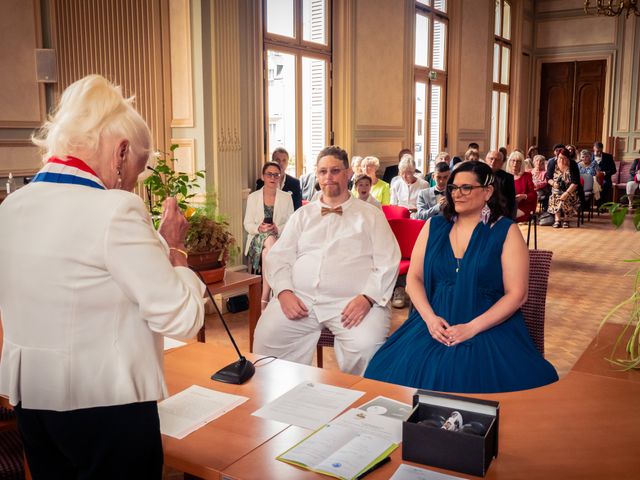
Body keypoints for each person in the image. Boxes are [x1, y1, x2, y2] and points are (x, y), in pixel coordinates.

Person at [0, 75, 206, 478]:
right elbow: (182, 319)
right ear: (120, 151)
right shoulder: (114, 209)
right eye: (137, 169)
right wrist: (176, 251)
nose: (133, 183)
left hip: (35, 403)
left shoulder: (11, 207)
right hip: (106, 409)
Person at [364, 161, 558, 393]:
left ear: (487, 192)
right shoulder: (433, 226)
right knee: (383, 372)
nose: (457, 194)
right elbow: (413, 280)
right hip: (434, 320)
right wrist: (430, 319)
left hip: (487, 324)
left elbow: (517, 294)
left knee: (458, 377)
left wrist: (472, 328)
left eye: (466, 188)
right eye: (454, 188)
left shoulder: (506, 231)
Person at [254, 146, 400, 375]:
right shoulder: (302, 215)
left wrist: (367, 298)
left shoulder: (371, 215)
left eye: (334, 170)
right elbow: (279, 257)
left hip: (353, 303)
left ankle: (359, 403)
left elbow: (388, 261)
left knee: (367, 347)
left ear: (348, 173)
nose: (328, 177)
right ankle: (281, 397)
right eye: (323, 172)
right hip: (301, 299)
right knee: (266, 337)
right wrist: (284, 292)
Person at [244, 162, 295, 309]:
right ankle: (274, 293)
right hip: (257, 238)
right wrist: (259, 228)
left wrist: (277, 228)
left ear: (280, 177)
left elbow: (291, 223)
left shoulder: (286, 197)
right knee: (269, 242)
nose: (273, 178)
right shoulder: (253, 197)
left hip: (279, 239)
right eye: (269, 174)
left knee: (268, 252)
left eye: (276, 175)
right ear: (263, 176)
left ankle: (264, 296)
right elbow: (247, 224)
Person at [548, 147, 580, 228]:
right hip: (556, 188)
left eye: (564, 158)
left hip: (571, 189)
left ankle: (566, 219)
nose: (561, 160)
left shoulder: (573, 164)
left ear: (568, 158)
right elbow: (548, 178)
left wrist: (566, 193)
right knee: (556, 194)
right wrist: (553, 183)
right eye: (560, 158)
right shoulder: (552, 163)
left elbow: (575, 182)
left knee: (566, 197)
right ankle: (557, 219)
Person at [484, 150, 517, 219]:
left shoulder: (508, 178)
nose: (493, 162)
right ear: (486, 160)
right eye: (491, 159)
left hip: (500, 213)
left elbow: (511, 201)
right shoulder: (479, 175)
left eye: (497, 160)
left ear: (502, 163)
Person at [507, 151, 537, 222]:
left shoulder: (527, 176)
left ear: (522, 163)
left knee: (507, 219)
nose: (515, 164)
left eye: (518, 161)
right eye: (513, 161)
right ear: (509, 162)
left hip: (524, 206)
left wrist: (524, 196)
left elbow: (534, 195)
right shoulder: (505, 176)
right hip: (508, 207)